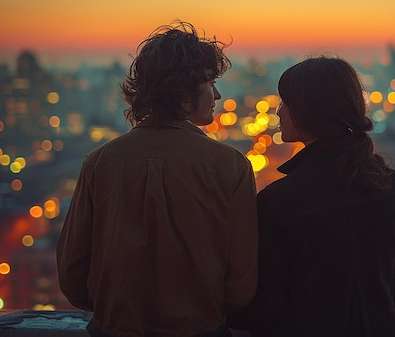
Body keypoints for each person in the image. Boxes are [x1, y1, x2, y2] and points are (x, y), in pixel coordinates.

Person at [56, 21, 258, 337]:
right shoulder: (230, 166)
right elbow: (241, 283)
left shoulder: (100, 162)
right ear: (180, 89)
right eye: (209, 82)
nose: (217, 94)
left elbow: (72, 274)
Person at [228, 55, 395, 336]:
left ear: (308, 111)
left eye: (285, 103)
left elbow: (269, 304)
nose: (279, 112)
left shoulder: (280, 201)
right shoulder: (392, 186)